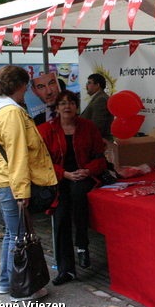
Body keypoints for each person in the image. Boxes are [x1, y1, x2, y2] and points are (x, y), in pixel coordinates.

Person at [0, 65, 57, 300]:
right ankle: (21, 289)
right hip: (10, 182)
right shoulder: (12, 113)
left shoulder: (2, 110)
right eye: (26, 84)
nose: (28, 88)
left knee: (12, 234)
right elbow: (17, 155)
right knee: (17, 236)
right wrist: (22, 191)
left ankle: (7, 283)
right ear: (18, 85)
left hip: (3, 180)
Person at [37, 90, 107, 286]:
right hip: (59, 180)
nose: (67, 106)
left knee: (78, 192)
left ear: (76, 106)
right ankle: (66, 270)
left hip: (84, 177)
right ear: (56, 108)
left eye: (71, 103)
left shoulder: (89, 127)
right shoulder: (45, 130)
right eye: (62, 103)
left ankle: (82, 245)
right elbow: (42, 163)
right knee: (60, 217)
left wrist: (87, 170)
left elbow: (100, 158)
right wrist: (65, 174)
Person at [80, 73, 114, 140]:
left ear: (97, 85)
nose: (86, 85)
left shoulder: (100, 100)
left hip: (97, 141)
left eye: (89, 83)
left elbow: (98, 125)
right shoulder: (98, 98)